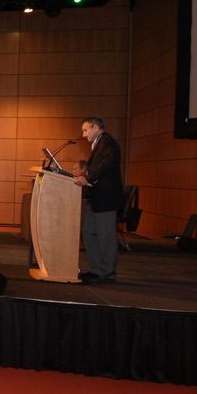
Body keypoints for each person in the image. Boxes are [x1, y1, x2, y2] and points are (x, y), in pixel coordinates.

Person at [74, 116, 123, 283]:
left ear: (96, 127)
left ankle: (108, 272)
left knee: (106, 237)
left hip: (106, 198)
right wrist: (87, 176)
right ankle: (96, 269)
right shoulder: (99, 143)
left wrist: (88, 178)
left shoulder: (107, 142)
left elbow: (107, 164)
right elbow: (98, 167)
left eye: (85, 130)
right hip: (97, 198)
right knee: (89, 232)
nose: (83, 134)